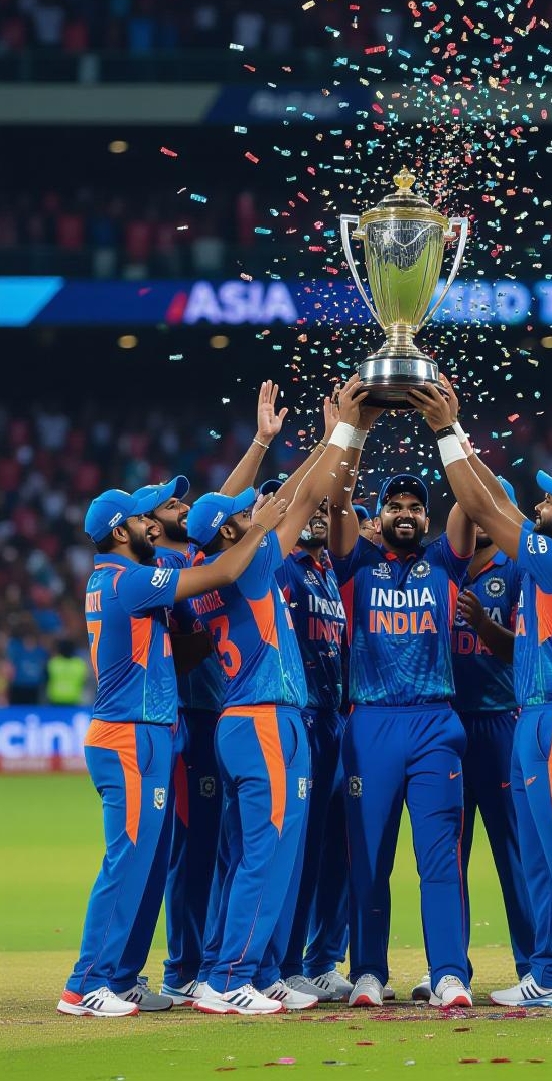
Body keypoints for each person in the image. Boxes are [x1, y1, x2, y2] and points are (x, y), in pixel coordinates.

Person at [409, 380, 552, 1010]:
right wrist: (459, 435)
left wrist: (447, 431)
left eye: (549, 500)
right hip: (539, 716)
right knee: (540, 855)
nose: (538, 504)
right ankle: (548, 972)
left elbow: (484, 510)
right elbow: (493, 504)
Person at [57, 482, 287, 1017]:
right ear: (122, 531)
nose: (152, 526)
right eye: (143, 519)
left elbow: (169, 648)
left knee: (144, 863)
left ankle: (117, 978)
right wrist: (260, 527)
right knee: (127, 863)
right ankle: (84, 985)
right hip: (130, 735)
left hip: (141, 733)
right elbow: (221, 573)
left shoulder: (112, 581)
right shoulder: (131, 581)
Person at [188, 377, 368, 1016]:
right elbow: (302, 499)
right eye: (243, 516)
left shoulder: (215, 572)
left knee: (250, 854)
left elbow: (275, 504)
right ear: (229, 533)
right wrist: (340, 434)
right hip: (266, 720)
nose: (254, 514)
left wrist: (299, 442)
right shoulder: (254, 565)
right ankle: (230, 978)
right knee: (266, 856)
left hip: (246, 719)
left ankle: (249, 970)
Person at [130, 380, 289, 1008]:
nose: (182, 505)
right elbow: (221, 524)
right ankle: (184, 966)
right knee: (190, 852)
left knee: (220, 847)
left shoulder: (191, 559)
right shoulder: (162, 571)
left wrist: (261, 442)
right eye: (170, 505)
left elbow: (222, 510)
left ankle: (203, 961)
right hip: (191, 717)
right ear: (148, 525)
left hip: (214, 712)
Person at [327, 400, 477, 1009]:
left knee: (440, 858)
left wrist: (449, 426)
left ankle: (449, 974)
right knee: (369, 859)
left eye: (416, 507)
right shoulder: (355, 564)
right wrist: (352, 431)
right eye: (395, 506)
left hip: (436, 722)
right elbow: (338, 505)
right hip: (371, 723)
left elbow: (472, 500)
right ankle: (368, 972)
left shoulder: (445, 563)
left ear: (428, 517)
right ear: (381, 514)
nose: (406, 514)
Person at [412, 477, 536, 1005]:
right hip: (446, 725)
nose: (480, 520)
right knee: (446, 854)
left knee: (515, 853)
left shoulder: (519, 572)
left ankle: (535, 967)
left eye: (487, 511)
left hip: (500, 723)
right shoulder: (438, 566)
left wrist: (483, 625)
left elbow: (526, 651)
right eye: (472, 510)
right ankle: (447, 968)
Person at [271, 492, 352, 1002]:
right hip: (299, 716)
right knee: (295, 850)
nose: (318, 517)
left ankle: (317, 961)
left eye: (325, 510)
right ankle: (282, 965)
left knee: (331, 849)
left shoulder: (325, 573)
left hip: (333, 719)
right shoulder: (284, 567)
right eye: (310, 508)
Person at [46, 639, 88, 706]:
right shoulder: (79, 664)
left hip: (55, 698)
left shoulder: (53, 663)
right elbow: (84, 680)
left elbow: (46, 679)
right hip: (74, 698)